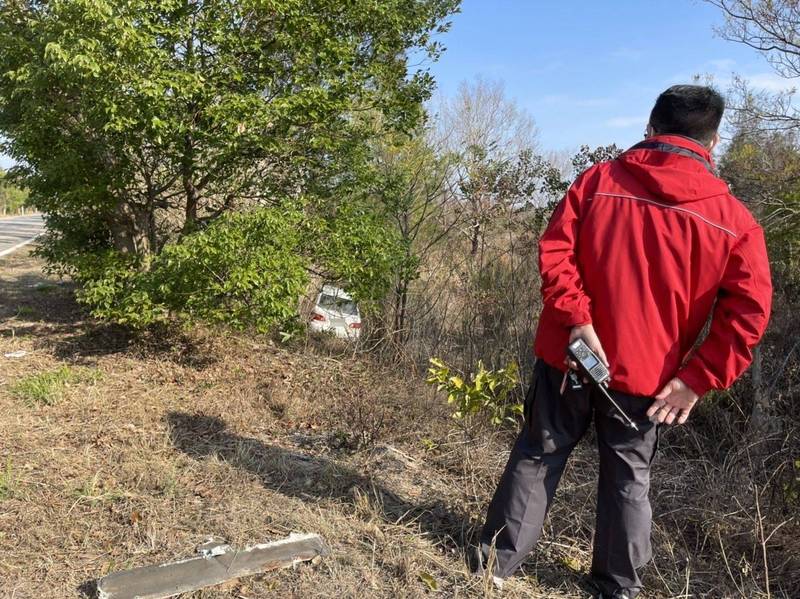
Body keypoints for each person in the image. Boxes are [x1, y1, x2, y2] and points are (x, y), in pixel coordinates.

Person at [476, 85, 773, 598]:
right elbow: (748, 314)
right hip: (649, 377)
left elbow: (555, 251)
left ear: (651, 128)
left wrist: (575, 320)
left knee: (539, 452)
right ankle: (616, 587)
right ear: (714, 140)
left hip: (570, 357)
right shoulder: (735, 221)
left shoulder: (598, 181)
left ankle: (494, 567)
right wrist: (694, 380)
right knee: (628, 478)